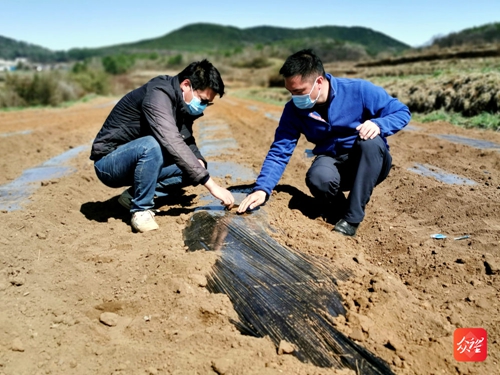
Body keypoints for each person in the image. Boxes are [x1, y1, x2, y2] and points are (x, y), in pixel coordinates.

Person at [237, 49, 411, 236]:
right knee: (318, 178)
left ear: (319, 82)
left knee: (370, 141)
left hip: (370, 162)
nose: (295, 98)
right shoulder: (293, 110)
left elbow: (402, 112)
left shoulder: (358, 90)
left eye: (299, 91)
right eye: (290, 92)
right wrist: (263, 189)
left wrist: (379, 124)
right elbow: (280, 151)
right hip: (333, 160)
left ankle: (352, 219)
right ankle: (339, 208)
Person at [90, 59, 235, 232]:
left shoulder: (180, 104)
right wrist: (211, 185)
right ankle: (141, 210)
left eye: (207, 103)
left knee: (194, 167)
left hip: (137, 161)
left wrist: (199, 162)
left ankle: (132, 196)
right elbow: (171, 139)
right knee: (152, 145)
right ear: (186, 85)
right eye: (202, 100)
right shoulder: (159, 94)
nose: (203, 107)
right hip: (109, 163)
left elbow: (186, 139)